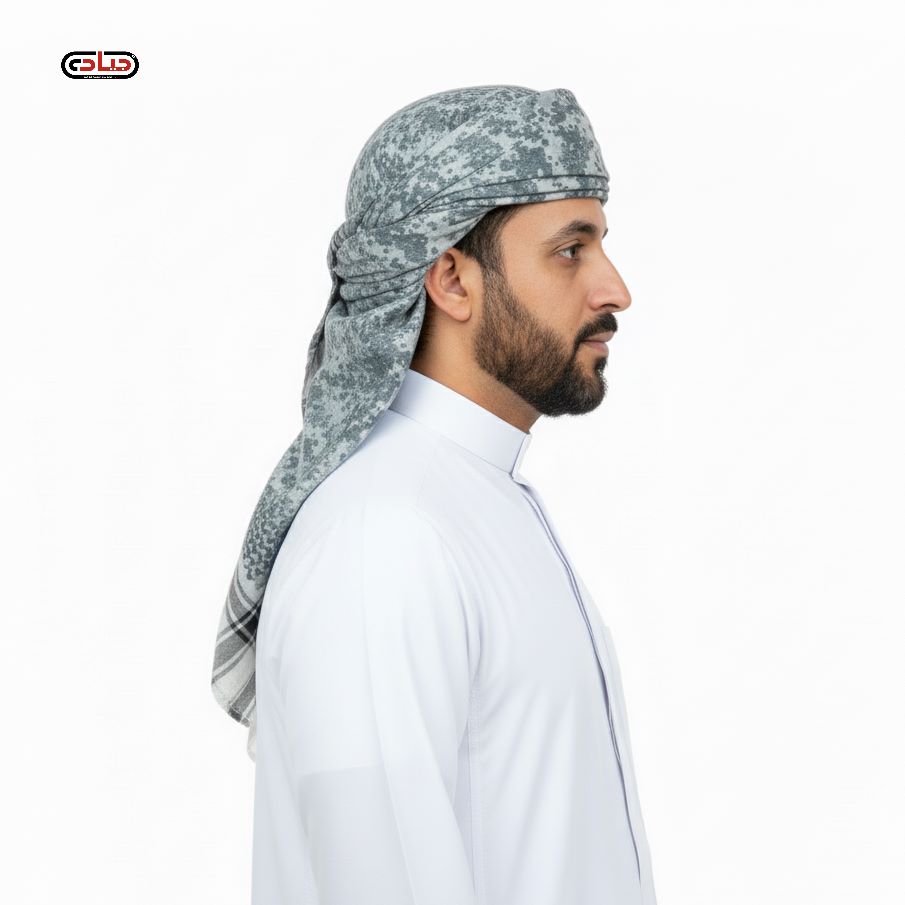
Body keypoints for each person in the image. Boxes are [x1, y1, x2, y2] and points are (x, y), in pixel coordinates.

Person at [210, 85, 658, 905]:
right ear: (451, 279)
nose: (613, 289)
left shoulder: (470, 499)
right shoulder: (383, 536)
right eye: (570, 250)